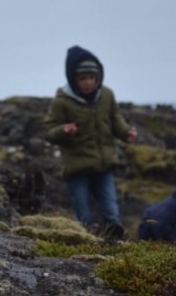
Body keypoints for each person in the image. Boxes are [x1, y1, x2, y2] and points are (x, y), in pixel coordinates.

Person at [43, 45, 137, 241]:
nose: (88, 83)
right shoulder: (62, 102)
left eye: (92, 78)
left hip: (105, 166)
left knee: (112, 213)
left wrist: (125, 133)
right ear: (73, 78)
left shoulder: (107, 95)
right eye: (83, 78)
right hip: (77, 169)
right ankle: (84, 248)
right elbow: (48, 131)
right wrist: (63, 130)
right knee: (83, 216)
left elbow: (114, 119)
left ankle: (116, 247)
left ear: (98, 77)